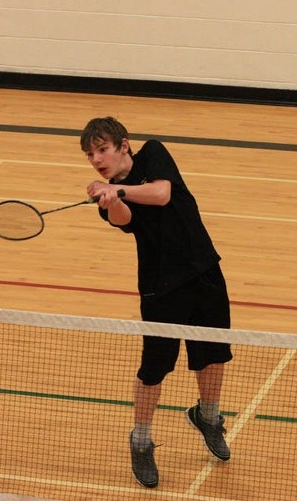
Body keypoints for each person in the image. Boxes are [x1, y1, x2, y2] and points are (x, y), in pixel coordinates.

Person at [80, 116, 233, 488]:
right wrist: (111, 198)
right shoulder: (108, 197)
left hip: (203, 270)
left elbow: (162, 194)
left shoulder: (154, 153)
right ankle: (141, 441)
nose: (97, 159)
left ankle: (208, 417)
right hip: (160, 288)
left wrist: (119, 190)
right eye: (90, 155)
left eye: (102, 149)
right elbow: (123, 219)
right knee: (154, 368)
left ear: (123, 145)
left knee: (212, 354)